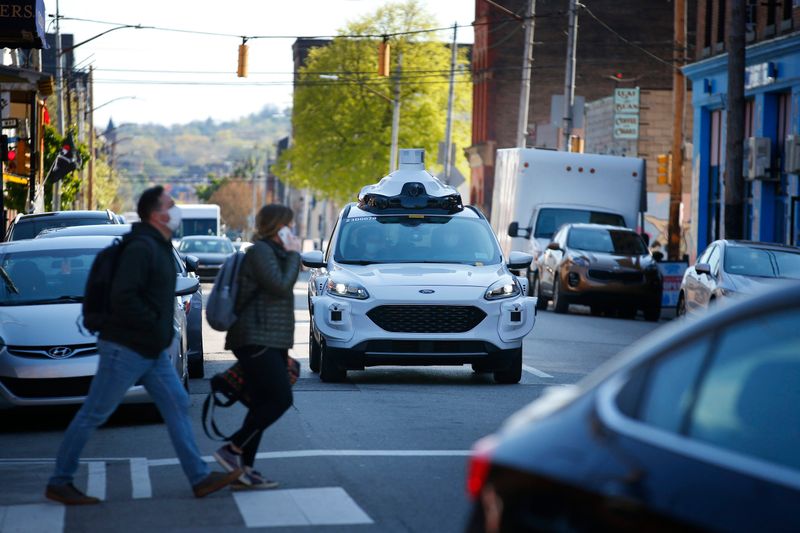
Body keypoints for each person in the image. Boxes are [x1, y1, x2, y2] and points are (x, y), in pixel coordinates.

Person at [46, 186, 241, 505]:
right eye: (171, 205)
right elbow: (125, 297)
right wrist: (154, 325)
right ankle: (60, 480)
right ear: (156, 214)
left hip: (149, 349)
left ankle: (199, 477)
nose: (176, 210)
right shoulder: (141, 248)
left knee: (177, 403)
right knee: (94, 412)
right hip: (127, 347)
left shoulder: (158, 246)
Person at [213, 204, 302, 490]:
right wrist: (293, 253)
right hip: (254, 337)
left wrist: (283, 352)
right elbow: (281, 286)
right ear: (277, 227)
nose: (292, 230)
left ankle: (243, 471)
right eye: (288, 225)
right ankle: (233, 449)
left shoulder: (273, 252)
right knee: (280, 399)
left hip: (269, 339)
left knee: (263, 404)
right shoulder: (260, 251)